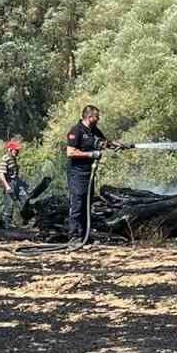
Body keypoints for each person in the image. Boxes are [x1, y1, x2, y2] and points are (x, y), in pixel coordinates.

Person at [64, 104, 118, 247]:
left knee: (87, 203)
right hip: (77, 173)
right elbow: (70, 152)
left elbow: (103, 142)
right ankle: (74, 237)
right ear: (89, 117)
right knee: (77, 203)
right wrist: (90, 154)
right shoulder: (77, 131)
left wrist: (117, 145)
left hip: (89, 172)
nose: (98, 119)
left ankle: (84, 236)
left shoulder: (93, 130)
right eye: (96, 116)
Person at [0, 138, 26, 228]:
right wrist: (7, 186)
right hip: (9, 183)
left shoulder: (13, 158)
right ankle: (7, 225)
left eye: (18, 150)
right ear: (10, 149)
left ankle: (24, 220)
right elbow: (1, 174)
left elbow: (14, 173)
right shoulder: (5, 159)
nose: (17, 151)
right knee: (9, 205)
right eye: (16, 150)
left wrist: (21, 183)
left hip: (16, 182)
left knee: (25, 199)